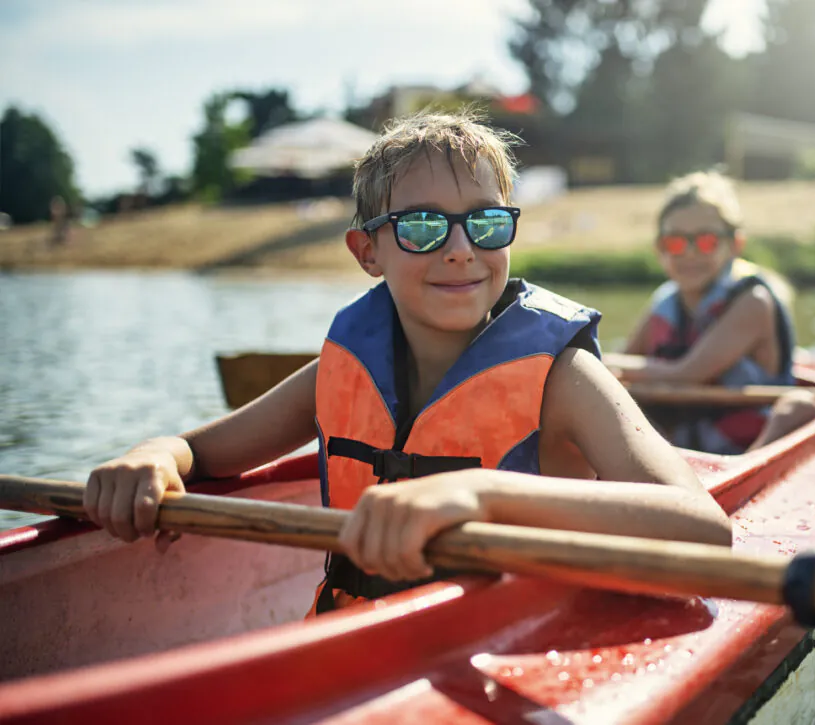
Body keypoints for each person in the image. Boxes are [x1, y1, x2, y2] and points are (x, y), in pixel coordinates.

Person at [83, 110, 731, 615]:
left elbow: (703, 531)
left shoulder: (563, 377)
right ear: (367, 251)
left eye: (485, 224)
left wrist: (479, 491)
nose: (459, 250)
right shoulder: (342, 366)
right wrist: (156, 454)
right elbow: (203, 451)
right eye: (422, 226)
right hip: (360, 644)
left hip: (515, 644)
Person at [619, 170, 815, 455]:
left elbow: (686, 374)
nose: (689, 253)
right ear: (659, 248)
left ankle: (746, 473)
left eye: (706, 241)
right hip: (681, 441)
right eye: (676, 242)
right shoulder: (664, 302)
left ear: (735, 245)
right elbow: (627, 364)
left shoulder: (753, 301)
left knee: (799, 407)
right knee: (617, 402)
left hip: (747, 442)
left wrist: (604, 366)